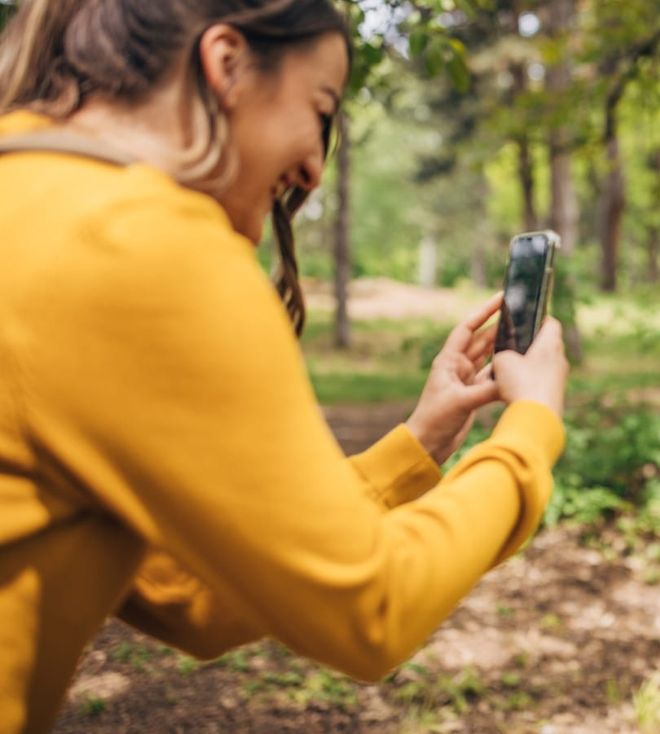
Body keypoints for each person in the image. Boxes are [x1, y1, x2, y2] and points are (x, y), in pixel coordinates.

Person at [0, 2, 569, 732]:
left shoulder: (34, 195)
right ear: (226, 64)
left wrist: (417, 445)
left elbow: (181, 591)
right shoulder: (144, 247)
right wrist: (529, 434)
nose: (312, 167)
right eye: (319, 108)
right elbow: (374, 610)